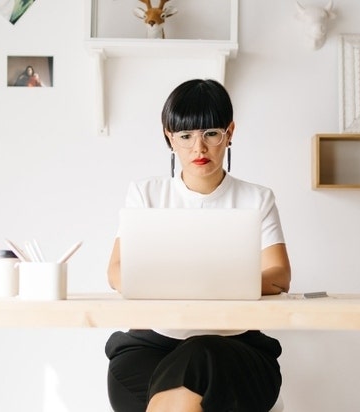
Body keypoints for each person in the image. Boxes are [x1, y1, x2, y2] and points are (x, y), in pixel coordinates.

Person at [104, 79, 292, 412]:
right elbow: (117, 271)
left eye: (211, 134)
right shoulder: (146, 194)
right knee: (177, 382)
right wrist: (210, 281)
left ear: (229, 133)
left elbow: (278, 276)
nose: (199, 149)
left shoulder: (257, 198)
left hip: (234, 346)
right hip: (152, 344)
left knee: (202, 354)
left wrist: (202, 281)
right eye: (186, 136)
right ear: (168, 137)